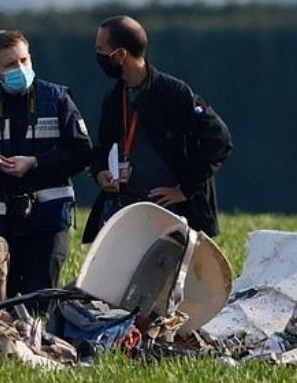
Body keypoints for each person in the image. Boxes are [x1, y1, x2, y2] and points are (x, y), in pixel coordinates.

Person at [0, 30, 92, 300]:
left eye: (24, 60)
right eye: (11, 65)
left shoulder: (57, 98)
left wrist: (35, 163)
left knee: (39, 297)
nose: (21, 68)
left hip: (47, 219)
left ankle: (40, 341)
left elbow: (82, 153)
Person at [83, 15, 232, 243]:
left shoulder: (175, 93)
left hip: (173, 215)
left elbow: (219, 140)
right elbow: (103, 146)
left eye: (101, 49)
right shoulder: (115, 97)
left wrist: (186, 189)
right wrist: (100, 171)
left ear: (121, 54)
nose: (98, 56)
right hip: (127, 210)